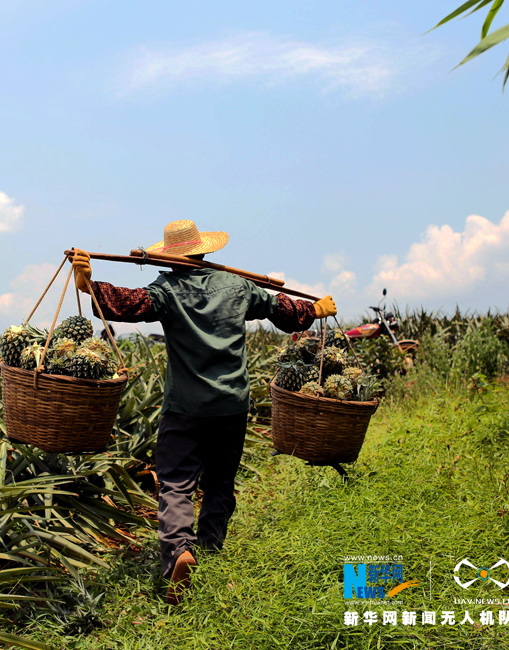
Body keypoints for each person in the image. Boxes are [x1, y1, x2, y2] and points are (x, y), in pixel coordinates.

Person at [71, 220, 337, 605]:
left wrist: (90, 287)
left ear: (170, 255)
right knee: (220, 482)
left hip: (186, 407)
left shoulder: (167, 290)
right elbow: (281, 309)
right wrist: (314, 310)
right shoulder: (237, 287)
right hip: (232, 404)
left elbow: (129, 304)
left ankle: (180, 550)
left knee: (177, 482)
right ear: (204, 251)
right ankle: (211, 551)